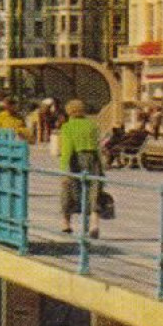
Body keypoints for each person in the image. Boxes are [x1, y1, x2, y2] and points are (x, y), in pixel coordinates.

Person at [58, 98, 104, 238]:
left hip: (76, 159)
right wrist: (101, 166)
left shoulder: (67, 127)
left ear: (69, 112)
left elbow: (67, 150)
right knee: (94, 190)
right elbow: (97, 147)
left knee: (68, 189)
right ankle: (94, 223)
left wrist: (63, 170)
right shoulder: (92, 125)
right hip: (93, 159)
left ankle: (66, 223)